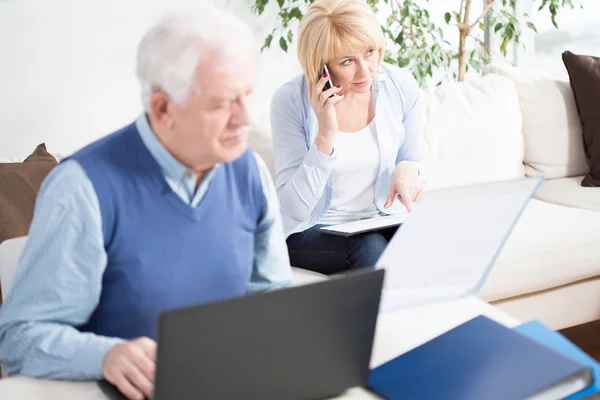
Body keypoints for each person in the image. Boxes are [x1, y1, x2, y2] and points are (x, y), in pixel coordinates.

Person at [0, 6, 292, 400]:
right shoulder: (81, 188)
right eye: (223, 103)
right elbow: (19, 339)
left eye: (248, 95)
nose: (245, 118)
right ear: (163, 109)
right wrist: (108, 355)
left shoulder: (250, 172)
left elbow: (272, 301)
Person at [271, 0, 429, 275]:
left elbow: (417, 161)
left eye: (369, 52)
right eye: (347, 61)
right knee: (370, 247)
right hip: (310, 231)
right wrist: (325, 135)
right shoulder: (290, 101)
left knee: (423, 237)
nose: (365, 70)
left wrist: (409, 168)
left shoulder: (399, 87)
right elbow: (293, 208)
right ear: (321, 67)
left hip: (377, 221)